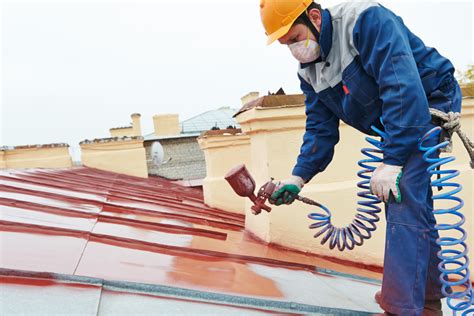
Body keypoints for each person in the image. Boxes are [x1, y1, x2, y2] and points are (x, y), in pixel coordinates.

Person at [259, 1, 462, 315]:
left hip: (428, 99)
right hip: (396, 117)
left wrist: (393, 159)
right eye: (286, 45)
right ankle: (427, 300)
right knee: (412, 198)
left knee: (401, 191)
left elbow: (402, 86)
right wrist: (298, 178)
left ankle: (400, 308)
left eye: (295, 37)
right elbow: (319, 129)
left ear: (314, 17)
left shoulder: (365, 21)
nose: (295, 49)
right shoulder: (309, 71)